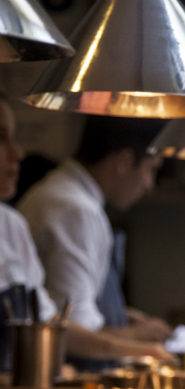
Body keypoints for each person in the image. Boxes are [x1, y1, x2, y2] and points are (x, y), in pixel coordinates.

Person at [0, 95, 172, 369]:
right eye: (2, 137)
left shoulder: (10, 223)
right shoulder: (75, 209)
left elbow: (49, 321)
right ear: (124, 161)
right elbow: (74, 323)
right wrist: (139, 342)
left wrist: (133, 335)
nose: (17, 153)